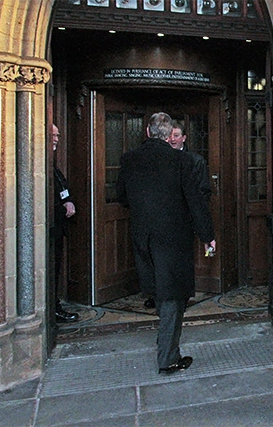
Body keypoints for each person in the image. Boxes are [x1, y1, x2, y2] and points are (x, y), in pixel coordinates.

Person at [116, 112, 216, 375]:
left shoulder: (129, 160)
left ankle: (165, 341)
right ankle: (168, 357)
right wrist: (207, 235)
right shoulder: (181, 160)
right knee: (172, 294)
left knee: (159, 290)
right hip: (173, 239)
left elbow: (121, 196)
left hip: (143, 235)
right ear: (167, 134)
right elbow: (196, 202)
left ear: (148, 132)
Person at [142, 120, 213, 310]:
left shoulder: (194, 161)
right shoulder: (152, 159)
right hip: (156, 224)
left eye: (176, 135)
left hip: (183, 223)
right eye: (170, 135)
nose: (172, 139)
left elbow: (202, 193)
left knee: (178, 266)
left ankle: (178, 299)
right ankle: (157, 296)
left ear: (184, 138)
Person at [52, 124, 80, 323]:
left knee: (56, 267)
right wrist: (63, 208)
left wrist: (68, 200)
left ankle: (54, 306)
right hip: (49, 229)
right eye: (52, 135)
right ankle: (51, 309)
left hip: (58, 228)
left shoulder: (52, 165)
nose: (55, 139)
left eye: (57, 135)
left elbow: (61, 186)